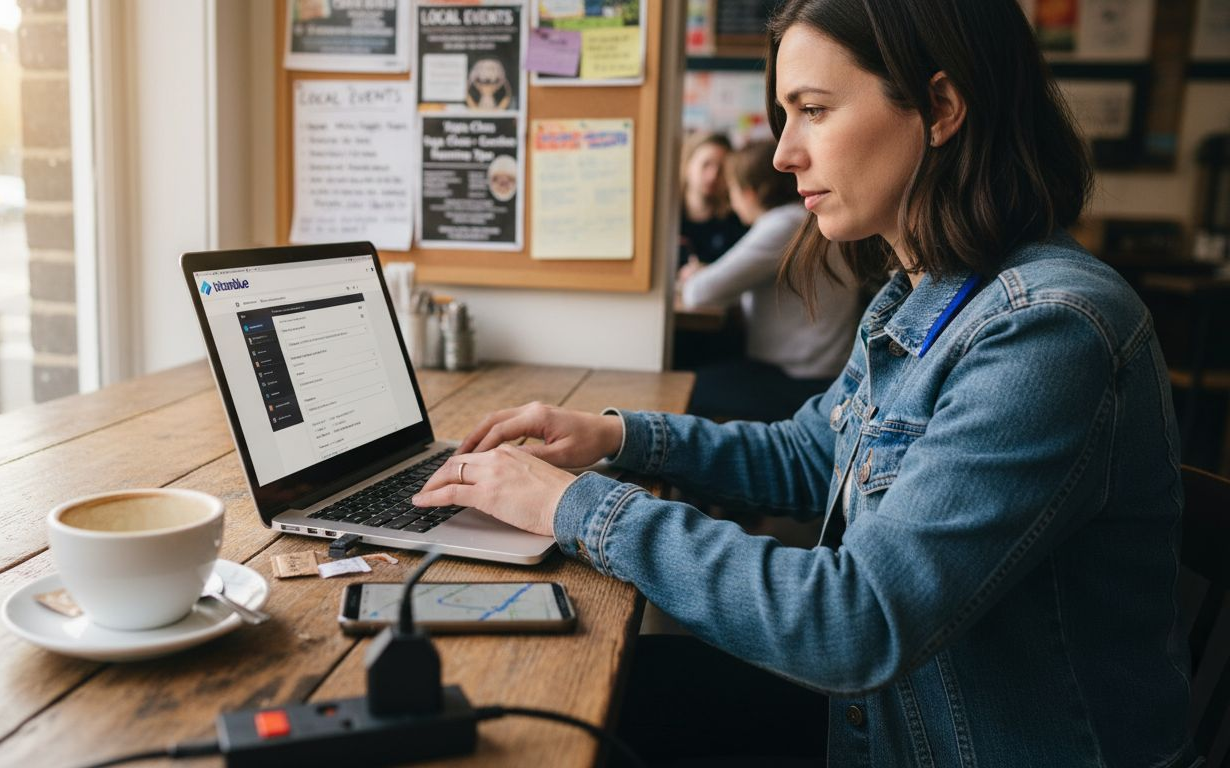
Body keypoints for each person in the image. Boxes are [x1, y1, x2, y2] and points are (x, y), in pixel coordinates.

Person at [413, 0, 1195, 765]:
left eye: (812, 109)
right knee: (549, 708)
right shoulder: (924, 294)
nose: (784, 153)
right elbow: (811, 453)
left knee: (552, 724)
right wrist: (618, 436)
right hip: (887, 719)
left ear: (941, 107)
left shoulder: (1048, 329)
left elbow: (853, 622)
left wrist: (567, 503)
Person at [678, 139, 861, 422]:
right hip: (815, 371)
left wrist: (696, 276)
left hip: (799, 380)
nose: (731, 203)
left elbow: (699, 294)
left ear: (749, 193)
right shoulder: (802, 218)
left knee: (683, 387)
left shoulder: (782, 225)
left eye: (731, 192)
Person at [678, 132, 748, 268]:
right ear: (688, 165)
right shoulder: (666, 220)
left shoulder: (737, 221)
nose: (713, 176)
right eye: (706, 165)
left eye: (721, 168)